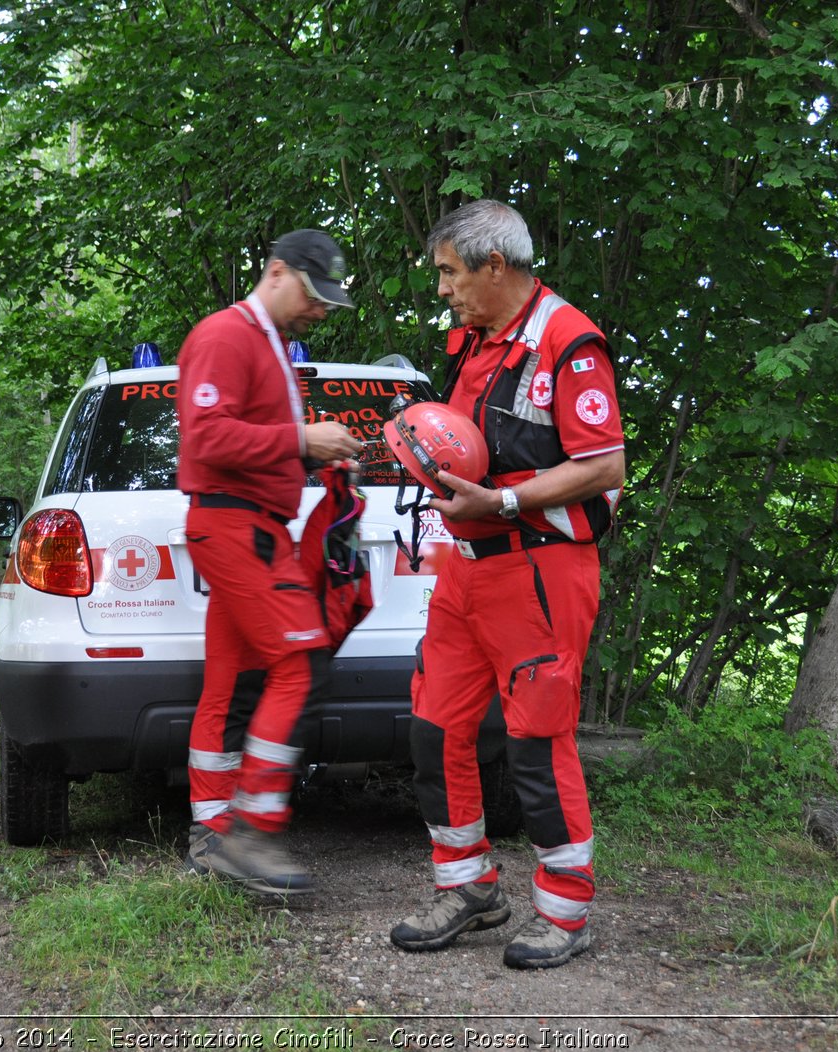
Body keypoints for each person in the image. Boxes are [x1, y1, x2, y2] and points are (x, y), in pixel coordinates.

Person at [388, 200, 624, 969]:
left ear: (497, 266)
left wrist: (507, 502)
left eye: (451, 273)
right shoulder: (475, 341)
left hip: (540, 573)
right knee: (434, 727)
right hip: (468, 571)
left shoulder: (568, 340)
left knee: (536, 742)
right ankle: (470, 889)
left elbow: (604, 465)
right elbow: (462, 447)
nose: (444, 290)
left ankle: (566, 910)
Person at [176, 229, 365, 895]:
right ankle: (253, 831)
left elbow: (253, 438)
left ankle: (212, 832)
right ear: (278, 272)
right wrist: (300, 437)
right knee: (300, 661)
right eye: (316, 296)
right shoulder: (227, 336)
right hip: (236, 525)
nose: (321, 310)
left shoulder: (270, 346)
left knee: (228, 684)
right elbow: (205, 435)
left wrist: (315, 452)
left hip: (249, 523)